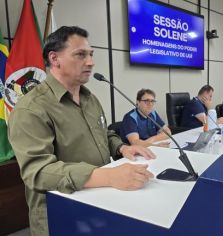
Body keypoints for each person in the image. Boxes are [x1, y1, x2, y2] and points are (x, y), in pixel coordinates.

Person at [7, 26, 155, 236]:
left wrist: (122, 148)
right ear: (55, 58)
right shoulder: (32, 109)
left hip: (102, 204)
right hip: (61, 215)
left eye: (91, 54)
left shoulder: (90, 99)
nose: (91, 62)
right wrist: (109, 176)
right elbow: (37, 171)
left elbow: (104, 134)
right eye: (80, 54)